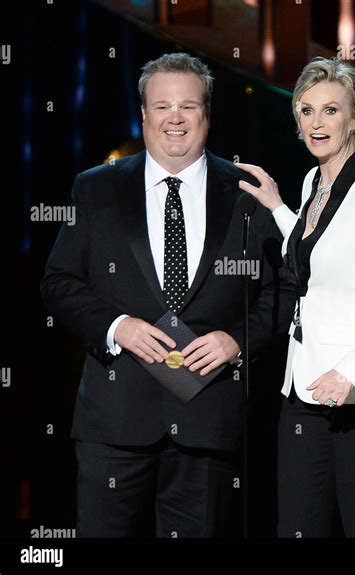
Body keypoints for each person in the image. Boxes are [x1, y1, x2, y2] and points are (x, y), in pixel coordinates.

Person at [40, 52, 294, 538]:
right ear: (143, 114)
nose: (174, 118)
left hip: (209, 423)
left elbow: (282, 291)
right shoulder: (96, 189)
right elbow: (58, 281)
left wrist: (237, 341)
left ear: (208, 113)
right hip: (113, 424)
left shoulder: (248, 191)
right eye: (162, 107)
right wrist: (119, 327)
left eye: (188, 106)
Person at [237, 56, 355, 537]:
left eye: (330, 111)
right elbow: (314, 256)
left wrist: (352, 373)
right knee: (297, 524)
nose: (316, 123)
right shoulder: (313, 183)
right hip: (306, 384)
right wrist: (280, 207)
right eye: (306, 110)